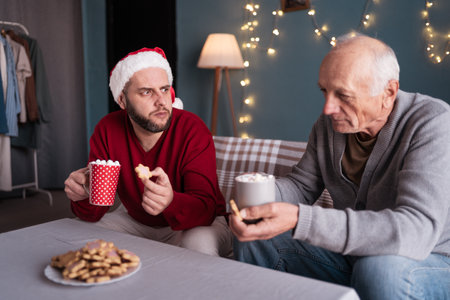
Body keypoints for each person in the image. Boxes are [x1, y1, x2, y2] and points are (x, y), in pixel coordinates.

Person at [230, 34, 450, 299]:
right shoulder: (328, 127)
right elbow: (301, 186)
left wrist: (301, 219)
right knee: (256, 237)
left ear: (388, 93)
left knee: (379, 269)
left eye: (343, 95)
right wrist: (256, 197)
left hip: (431, 258)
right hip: (356, 256)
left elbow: (416, 230)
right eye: (324, 91)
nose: (328, 108)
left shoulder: (433, 123)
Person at [64, 47, 232, 257]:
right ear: (123, 100)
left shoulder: (192, 129)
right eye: (146, 91)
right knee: (78, 237)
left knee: (198, 246)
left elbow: (205, 210)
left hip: (198, 223)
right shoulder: (107, 129)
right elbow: (94, 213)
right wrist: (82, 194)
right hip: (135, 221)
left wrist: (171, 202)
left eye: (164, 89)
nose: (162, 101)